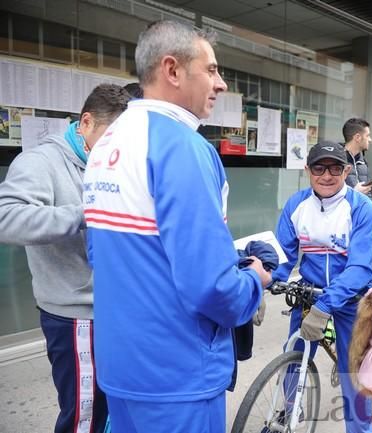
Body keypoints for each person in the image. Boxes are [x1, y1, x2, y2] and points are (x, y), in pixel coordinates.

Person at [82, 20, 271, 433]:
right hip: (178, 376)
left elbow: (100, 254)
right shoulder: (185, 147)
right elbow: (212, 287)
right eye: (212, 70)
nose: (221, 84)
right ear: (172, 70)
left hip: (121, 367)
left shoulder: (108, 143)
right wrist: (255, 281)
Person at [0, 83, 131, 433]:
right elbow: (6, 217)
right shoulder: (41, 161)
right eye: (109, 138)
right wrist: (84, 213)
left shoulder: (110, 161)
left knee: (110, 409)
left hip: (114, 310)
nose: (116, 149)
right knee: (82, 417)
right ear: (85, 122)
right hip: (75, 316)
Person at [273, 140, 372, 433]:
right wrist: (263, 282)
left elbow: (359, 268)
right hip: (310, 294)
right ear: (308, 170)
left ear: (346, 171)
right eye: (319, 167)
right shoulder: (297, 204)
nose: (327, 175)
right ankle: (291, 411)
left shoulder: (361, 209)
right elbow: (282, 256)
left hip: (351, 298)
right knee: (292, 355)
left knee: (353, 374)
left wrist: (325, 307)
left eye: (335, 168)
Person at [342, 117, 372, 196]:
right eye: (368, 136)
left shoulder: (363, 161)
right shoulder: (337, 160)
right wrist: (354, 192)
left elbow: (368, 194)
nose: (370, 140)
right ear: (357, 137)